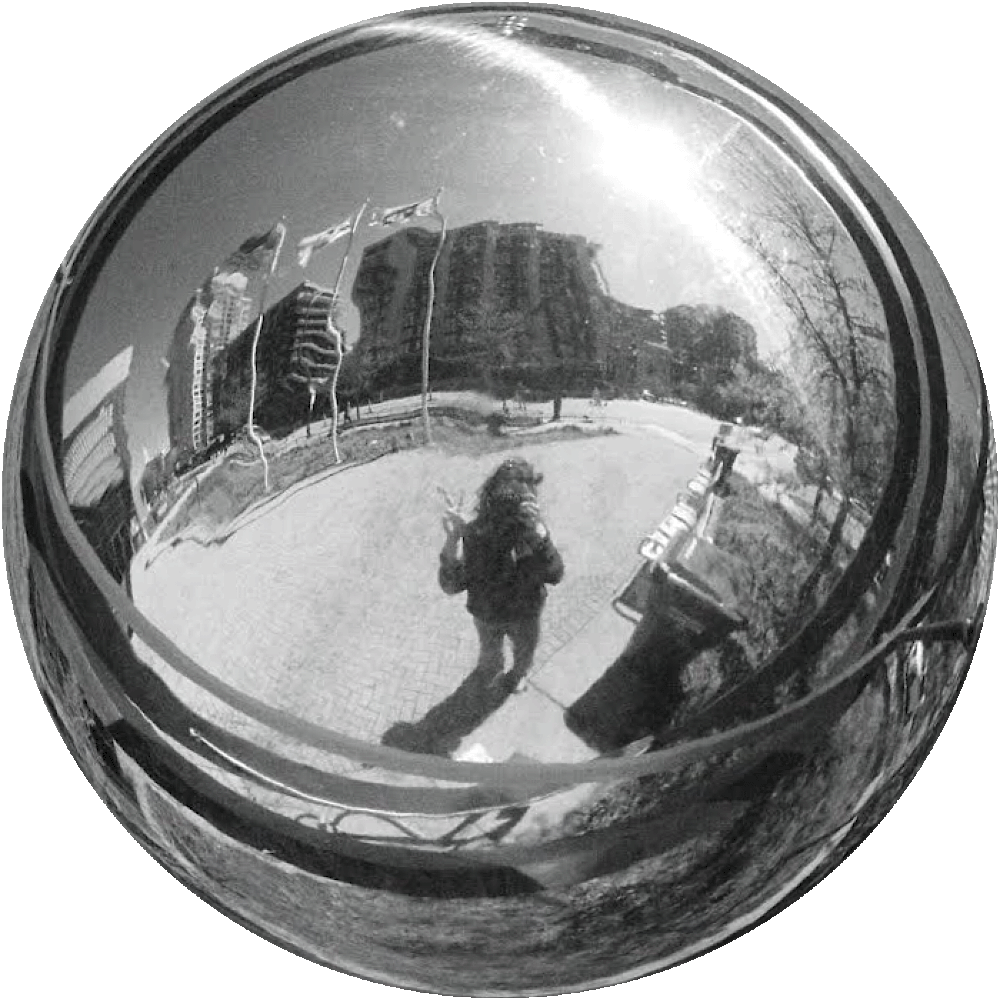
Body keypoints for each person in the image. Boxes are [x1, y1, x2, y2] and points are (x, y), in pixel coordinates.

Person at [439, 458, 564, 693]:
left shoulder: (531, 534)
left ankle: (517, 674)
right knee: (491, 653)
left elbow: (555, 574)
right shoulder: (477, 533)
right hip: (490, 615)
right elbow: (452, 585)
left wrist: (541, 537)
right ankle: (492, 669)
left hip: (522, 615)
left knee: (523, 653)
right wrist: (454, 538)